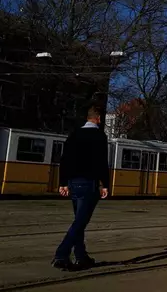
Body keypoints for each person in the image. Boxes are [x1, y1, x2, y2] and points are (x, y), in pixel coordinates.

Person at [51, 105, 110, 271]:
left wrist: (63, 182)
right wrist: (105, 184)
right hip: (88, 183)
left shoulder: (74, 134)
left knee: (79, 221)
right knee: (80, 222)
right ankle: (61, 254)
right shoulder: (99, 135)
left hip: (73, 183)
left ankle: (81, 256)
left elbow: (65, 160)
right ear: (98, 119)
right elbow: (101, 162)